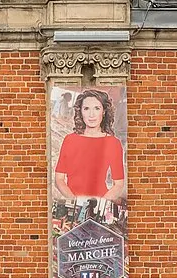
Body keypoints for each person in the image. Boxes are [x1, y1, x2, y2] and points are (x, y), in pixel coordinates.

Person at [52, 88, 126, 219]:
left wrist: (101, 202)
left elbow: (118, 184)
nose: (91, 114)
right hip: (72, 202)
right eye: (86, 109)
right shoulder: (69, 140)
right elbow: (59, 179)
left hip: (100, 204)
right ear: (80, 111)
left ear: (104, 112)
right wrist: (74, 201)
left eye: (97, 108)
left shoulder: (113, 143)